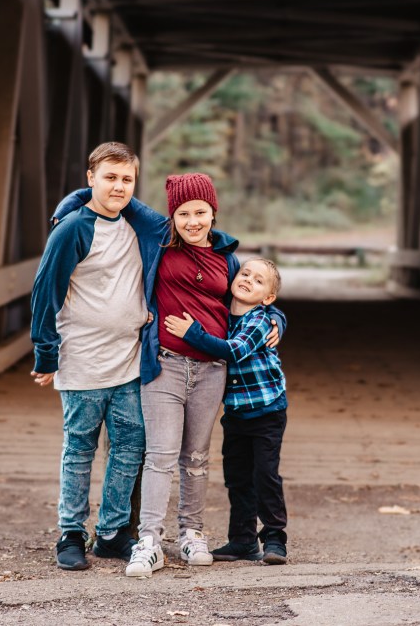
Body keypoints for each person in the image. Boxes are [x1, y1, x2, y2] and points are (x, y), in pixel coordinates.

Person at [52, 173, 284, 578]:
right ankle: (150, 540)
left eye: (201, 212)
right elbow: (107, 194)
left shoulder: (227, 257)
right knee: (159, 458)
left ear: (213, 212)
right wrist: (62, 215)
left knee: (195, 458)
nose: (192, 221)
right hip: (165, 365)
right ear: (171, 215)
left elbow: (253, 300)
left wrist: (279, 317)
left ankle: (192, 532)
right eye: (183, 213)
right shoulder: (159, 237)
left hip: (212, 371)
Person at [29, 142, 150, 571]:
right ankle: (71, 533)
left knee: (130, 446)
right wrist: (46, 354)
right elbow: (46, 290)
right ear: (90, 179)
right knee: (79, 447)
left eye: (126, 179)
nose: (118, 187)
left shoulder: (142, 226)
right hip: (82, 358)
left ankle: (114, 532)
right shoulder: (73, 228)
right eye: (110, 177)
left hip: (131, 358)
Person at [163, 257, 289, 565]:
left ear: (268, 298)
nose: (248, 280)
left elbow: (234, 350)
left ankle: (275, 537)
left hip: (266, 411)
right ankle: (243, 540)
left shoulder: (260, 320)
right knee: (237, 477)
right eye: (245, 273)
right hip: (235, 413)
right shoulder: (221, 312)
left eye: (259, 281)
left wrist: (192, 333)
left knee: (264, 475)